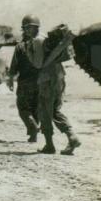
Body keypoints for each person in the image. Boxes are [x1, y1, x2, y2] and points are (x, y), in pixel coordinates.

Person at [34, 23, 81, 155]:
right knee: (55, 110)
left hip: (46, 79)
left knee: (45, 111)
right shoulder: (46, 39)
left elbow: (37, 63)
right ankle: (68, 137)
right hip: (59, 77)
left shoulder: (37, 41)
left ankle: (53, 144)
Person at [7, 14, 42, 142]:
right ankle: (33, 135)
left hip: (25, 82)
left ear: (25, 29)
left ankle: (32, 127)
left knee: (23, 108)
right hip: (41, 82)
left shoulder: (20, 46)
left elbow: (13, 66)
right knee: (36, 108)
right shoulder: (43, 43)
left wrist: (10, 79)